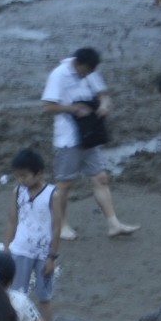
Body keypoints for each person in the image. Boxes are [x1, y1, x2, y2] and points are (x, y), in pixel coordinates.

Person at [42, 47, 138, 236]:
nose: (87, 75)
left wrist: (104, 104)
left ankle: (114, 224)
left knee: (100, 178)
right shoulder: (59, 75)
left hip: (90, 134)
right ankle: (60, 226)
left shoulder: (90, 71)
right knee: (65, 183)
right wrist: (73, 109)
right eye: (85, 71)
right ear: (77, 64)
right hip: (68, 139)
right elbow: (47, 107)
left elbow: (103, 93)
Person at [1, 149, 66, 321]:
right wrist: (6, 246)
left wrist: (52, 257)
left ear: (39, 174)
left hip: (42, 254)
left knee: (44, 297)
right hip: (20, 250)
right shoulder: (17, 191)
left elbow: (57, 228)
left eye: (24, 175)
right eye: (18, 176)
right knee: (18, 296)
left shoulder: (52, 195)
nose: (21, 179)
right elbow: (13, 219)